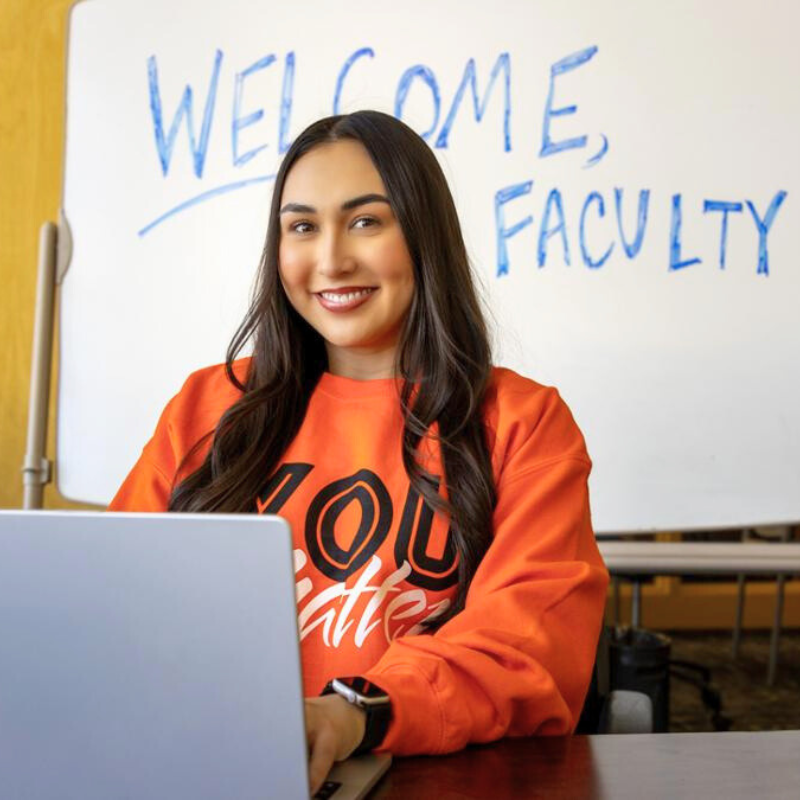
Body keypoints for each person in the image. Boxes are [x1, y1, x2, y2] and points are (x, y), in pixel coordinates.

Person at [109, 110, 609, 794]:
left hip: (428, 779)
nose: (331, 259)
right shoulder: (206, 408)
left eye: (367, 221)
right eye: (302, 226)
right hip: (216, 772)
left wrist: (353, 713)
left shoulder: (523, 422)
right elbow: (112, 609)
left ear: (424, 235)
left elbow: (525, 651)